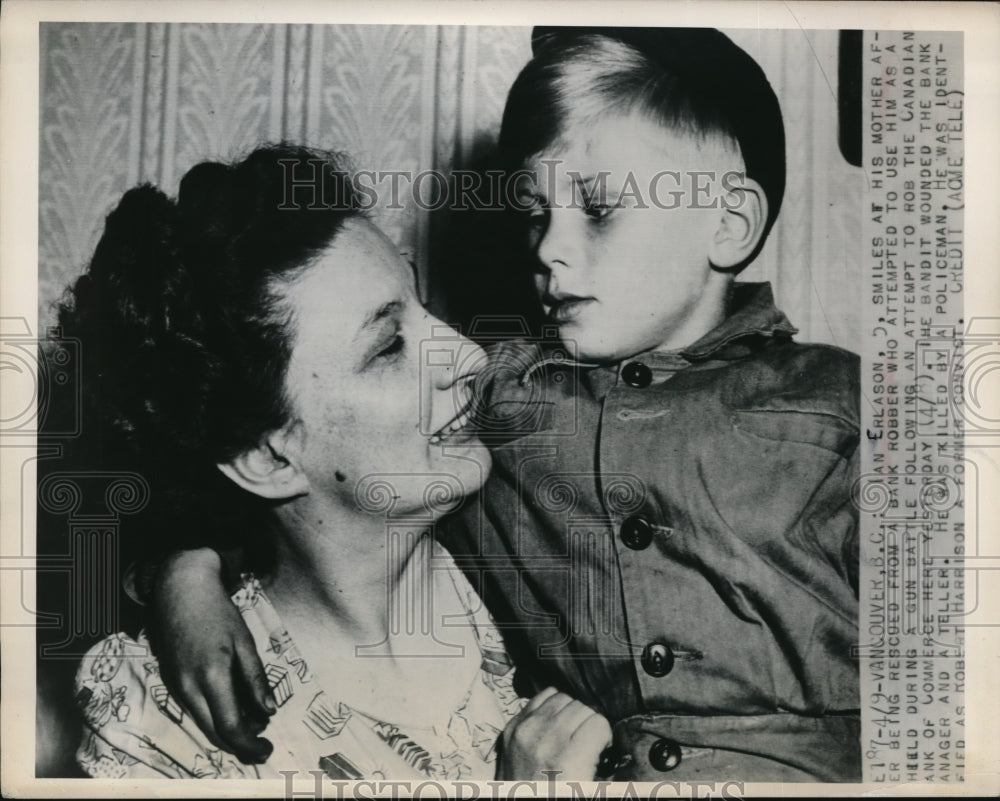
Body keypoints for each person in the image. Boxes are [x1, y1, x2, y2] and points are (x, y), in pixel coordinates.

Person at [145, 27, 862, 783]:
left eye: (597, 206)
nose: (549, 247)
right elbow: (253, 451)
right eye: (534, 212)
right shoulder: (492, 398)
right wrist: (184, 574)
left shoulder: (838, 403)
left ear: (728, 222)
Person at [62, 144, 612, 780]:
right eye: (388, 347)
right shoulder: (157, 724)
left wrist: (181, 568)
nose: (468, 355)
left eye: (423, 305)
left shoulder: (541, 533)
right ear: (267, 457)